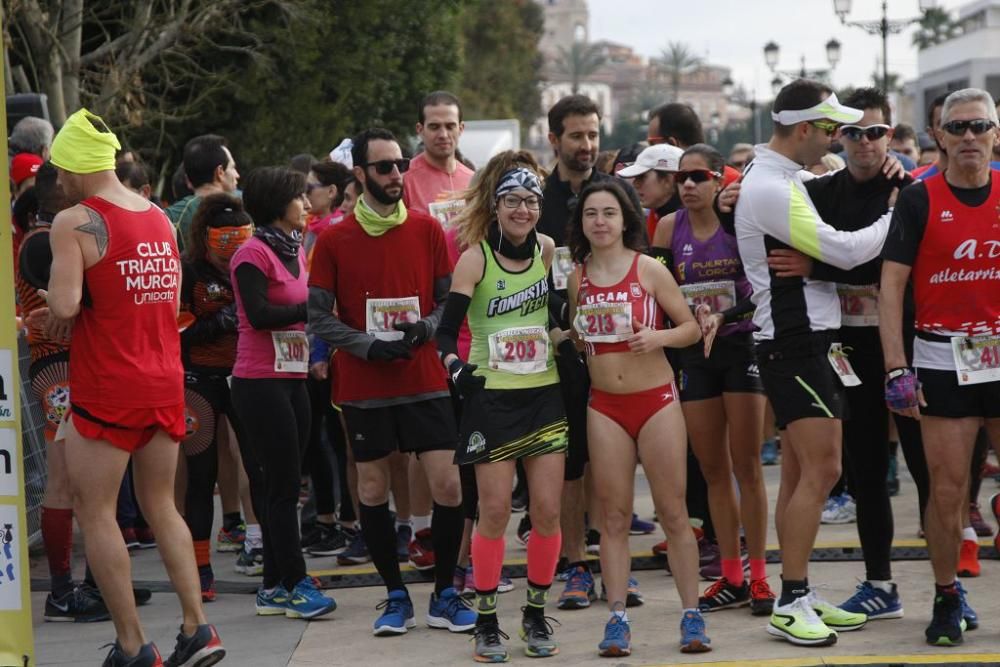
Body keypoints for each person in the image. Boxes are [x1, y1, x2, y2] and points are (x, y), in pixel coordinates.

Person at [43, 108, 224, 666]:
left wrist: (55, 305)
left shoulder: (74, 220)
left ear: (74, 168)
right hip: (162, 379)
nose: (57, 182)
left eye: (59, 171)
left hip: (108, 385)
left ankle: (132, 644)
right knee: (161, 505)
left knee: (95, 511)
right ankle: (197, 629)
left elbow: (66, 305)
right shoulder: (156, 216)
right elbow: (169, 305)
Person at [734, 79, 892, 646]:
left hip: (804, 341)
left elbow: (827, 184)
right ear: (804, 129)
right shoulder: (772, 189)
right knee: (825, 470)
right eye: (831, 129)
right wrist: (896, 213)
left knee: (802, 473)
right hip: (798, 342)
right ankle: (791, 598)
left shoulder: (782, 176)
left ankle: (797, 590)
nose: (838, 138)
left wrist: (890, 169)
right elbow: (847, 250)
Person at [763, 87, 927, 623]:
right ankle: (879, 583)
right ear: (840, 135)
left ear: (890, 135)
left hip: (902, 344)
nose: (863, 143)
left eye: (876, 132)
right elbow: (808, 242)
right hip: (843, 348)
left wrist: (819, 270)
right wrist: (725, 195)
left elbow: (890, 267)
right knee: (863, 473)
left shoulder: (911, 190)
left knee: (933, 470)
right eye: (853, 132)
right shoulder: (818, 190)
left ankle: (950, 586)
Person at [308, 127, 474, 636]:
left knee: (447, 485)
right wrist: (366, 345)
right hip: (364, 384)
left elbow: (449, 301)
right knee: (375, 488)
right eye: (384, 167)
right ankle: (394, 596)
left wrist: (425, 328)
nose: (396, 174)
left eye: (400, 164)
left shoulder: (426, 230)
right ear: (359, 174)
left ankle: (445, 592)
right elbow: (317, 316)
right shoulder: (334, 238)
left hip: (424, 377)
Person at [567, 180, 711, 656]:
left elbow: (690, 328)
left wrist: (658, 339)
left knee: (673, 512)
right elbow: (578, 334)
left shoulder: (648, 269)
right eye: (592, 214)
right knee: (612, 518)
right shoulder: (578, 275)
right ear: (582, 222)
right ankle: (616, 618)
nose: (600, 222)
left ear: (626, 219)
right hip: (604, 406)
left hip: (656, 401)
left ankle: (691, 615)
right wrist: (558, 337)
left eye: (609, 212)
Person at [879, 87, 1000, 647]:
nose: (969, 137)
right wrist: (896, 367)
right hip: (941, 358)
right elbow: (892, 287)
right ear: (940, 137)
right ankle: (947, 594)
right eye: (958, 128)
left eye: (979, 127)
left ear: (996, 133)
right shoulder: (919, 198)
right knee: (947, 492)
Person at [437, 163, 567, 661]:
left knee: (547, 511)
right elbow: (446, 333)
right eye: (512, 201)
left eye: (531, 202)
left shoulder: (547, 248)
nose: (522, 210)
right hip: (491, 396)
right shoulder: (476, 259)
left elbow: (552, 311)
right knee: (492, 512)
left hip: (543, 393)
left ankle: (535, 612)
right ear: (496, 208)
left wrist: (570, 337)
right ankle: (487, 621)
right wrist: (454, 367)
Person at [650, 145, 773, 616]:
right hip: (694, 354)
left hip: (740, 346)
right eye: (681, 177)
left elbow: (761, 289)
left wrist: (722, 316)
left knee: (747, 465)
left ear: (719, 181)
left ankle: (760, 575)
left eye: (698, 176)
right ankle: (732, 574)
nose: (687, 185)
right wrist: (682, 323)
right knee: (713, 469)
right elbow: (657, 291)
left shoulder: (738, 222)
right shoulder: (667, 228)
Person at [534, 94, 645, 612]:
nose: (587, 145)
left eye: (594, 135)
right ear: (554, 139)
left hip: (619, 351)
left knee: (613, 460)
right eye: (577, 136)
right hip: (557, 352)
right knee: (571, 461)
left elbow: (642, 261)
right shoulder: (536, 199)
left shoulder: (618, 193)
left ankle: (613, 563)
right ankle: (576, 565)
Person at [229, 166, 337, 620]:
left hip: (293, 377)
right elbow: (258, 314)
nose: (308, 205)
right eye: (300, 197)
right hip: (259, 382)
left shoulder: (295, 250)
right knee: (282, 486)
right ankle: (293, 582)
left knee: (286, 482)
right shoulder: (251, 254)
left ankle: (274, 584)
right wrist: (309, 309)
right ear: (279, 203)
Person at [179, 193, 257, 603]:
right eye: (224, 244)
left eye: (239, 242)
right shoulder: (189, 271)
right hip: (199, 379)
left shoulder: (253, 266)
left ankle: (264, 548)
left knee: (258, 465)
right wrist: (221, 320)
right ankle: (200, 566)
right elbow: (175, 333)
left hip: (245, 376)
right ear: (207, 239)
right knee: (201, 473)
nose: (232, 255)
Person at [166, 134, 240, 250]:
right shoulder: (243, 214)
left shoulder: (169, 217)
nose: (237, 175)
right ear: (219, 172)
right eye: (233, 167)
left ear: (188, 180)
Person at [647, 102, 741, 186]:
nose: (647, 152)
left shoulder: (733, 185)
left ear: (672, 144)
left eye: (652, 144)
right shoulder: (734, 180)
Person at [616, 144, 684, 241]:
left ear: (668, 180)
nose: (635, 184)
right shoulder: (650, 218)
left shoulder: (692, 221)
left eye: (642, 177)